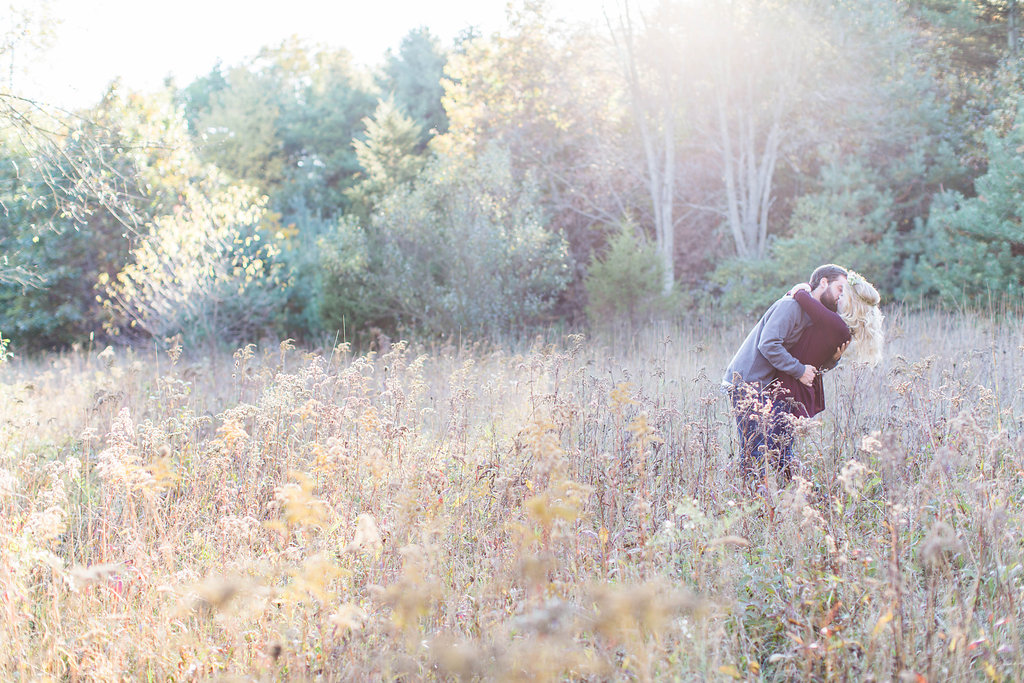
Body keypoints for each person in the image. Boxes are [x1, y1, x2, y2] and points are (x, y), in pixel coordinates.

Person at [722, 264, 848, 483]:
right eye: (839, 288)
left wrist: (833, 360)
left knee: (778, 450)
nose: (841, 296)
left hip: (770, 386)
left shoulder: (815, 317)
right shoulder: (790, 306)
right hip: (748, 382)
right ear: (824, 283)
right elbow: (768, 344)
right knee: (756, 452)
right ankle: (744, 500)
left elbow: (810, 363)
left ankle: (779, 501)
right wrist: (799, 371)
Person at [778, 270, 884, 419]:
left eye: (843, 295)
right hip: (795, 392)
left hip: (788, 394)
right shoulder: (845, 329)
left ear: (852, 302)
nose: (838, 298)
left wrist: (805, 286)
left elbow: (800, 294)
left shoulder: (836, 325)